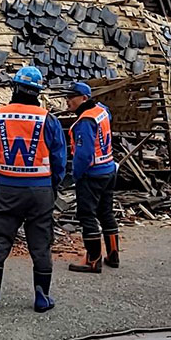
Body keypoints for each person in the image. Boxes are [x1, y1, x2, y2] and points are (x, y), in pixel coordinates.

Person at [0, 66, 66, 313]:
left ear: (14, 87)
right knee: (40, 243)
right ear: (38, 92)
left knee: (0, 240)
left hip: (7, 187)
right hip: (40, 190)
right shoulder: (48, 118)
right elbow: (59, 158)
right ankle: (41, 297)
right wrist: (53, 184)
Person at [65, 81, 119, 274]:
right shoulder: (101, 110)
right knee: (106, 213)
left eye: (72, 97)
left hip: (92, 174)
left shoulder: (85, 122)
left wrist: (75, 175)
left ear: (84, 98)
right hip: (109, 168)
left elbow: (84, 155)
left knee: (87, 216)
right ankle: (113, 255)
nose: (67, 101)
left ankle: (93, 260)